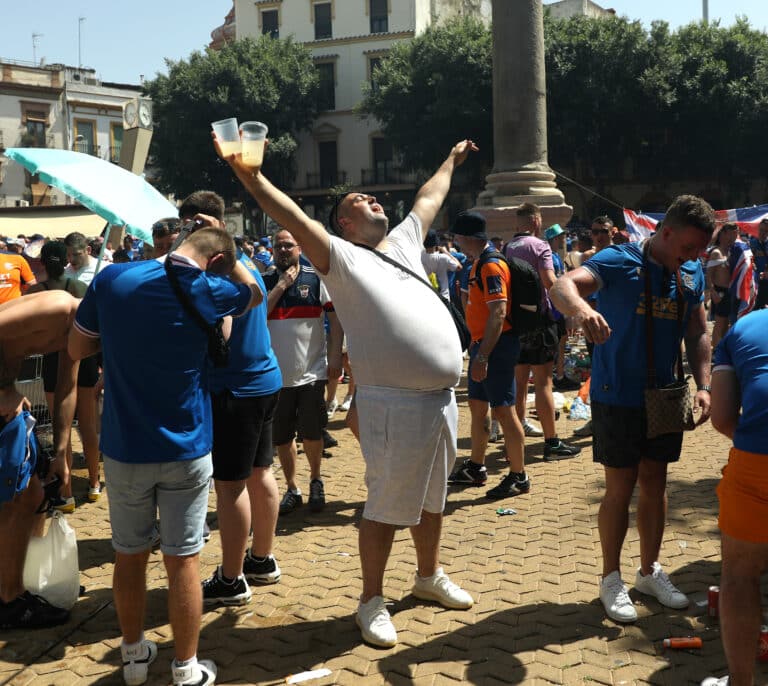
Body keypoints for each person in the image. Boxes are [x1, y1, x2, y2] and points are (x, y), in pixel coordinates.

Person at [217, 133, 476, 648]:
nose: (371, 198)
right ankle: (371, 600)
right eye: (358, 201)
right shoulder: (340, 258)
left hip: (440, 400)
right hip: (392, 404)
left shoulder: (403, 242)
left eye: (372, 197)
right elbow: (293, 216)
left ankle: (427, 576)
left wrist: (450, 158)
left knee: (432, 499)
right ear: (344, 224)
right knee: (383, 505)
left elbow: (429, 197)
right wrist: (250, 177)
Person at [69, 226, 262, 686]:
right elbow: (254, 294)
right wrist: (229, 257)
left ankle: (134, 658)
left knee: (128, 555)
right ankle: (185, 667)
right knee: (184, 559)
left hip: (124, 446)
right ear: (215, 261)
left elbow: (77, 346)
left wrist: (115, 340)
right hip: (187, 446)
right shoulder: (212, 288)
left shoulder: (112, 279)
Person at [550, 194, 714, 624]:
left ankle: (649, 571)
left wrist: (705, 385)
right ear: (666, 232)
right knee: (619, 489)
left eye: (700, 250)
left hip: (665, 395)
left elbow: (697, 329)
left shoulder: (692, 272)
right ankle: (610, 578)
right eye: (689, 248)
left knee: (656, 485)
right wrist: (584, 309)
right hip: (616, 392)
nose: (695, 257)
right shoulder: (618, 260)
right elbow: (562, 285)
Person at [187, 195, 284, 608]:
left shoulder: (218, 276)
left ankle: (232, 578)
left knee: (229, 487)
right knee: (261, 473)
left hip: (235, 389)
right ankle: (260, 559)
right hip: (263, 382)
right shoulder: (247, 266)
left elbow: (222, 334)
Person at [0, 291, 79, 629]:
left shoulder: (81, 333)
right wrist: (4, 391)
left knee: (33, 495)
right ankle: (8, 598)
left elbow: (67, 388)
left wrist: (61, 452)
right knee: (16, 499)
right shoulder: (59, 308)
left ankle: (18, 582)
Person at [703, 307, 768, 686]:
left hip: (756, 463)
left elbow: (723, 417)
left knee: (741, 575)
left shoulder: (746, 327)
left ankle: (741, 682)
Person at [448, 211, 529, 498]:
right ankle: (476, 466)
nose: (455, 242)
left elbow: (499, 313)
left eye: (457, 236)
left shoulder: (491, 266)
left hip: (496, 347)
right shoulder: (475, 264)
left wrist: (483, 356)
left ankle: (518, 476)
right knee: (478, 405)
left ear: (468, 237)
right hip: (482, 346)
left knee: (504, 411)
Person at [263, 229, 342, 515]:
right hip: (276, 377)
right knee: (282, 438)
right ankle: (292, 487)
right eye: (278, 246)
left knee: (312, 433)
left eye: (288, 245)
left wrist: (335, 356)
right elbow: (258, 317)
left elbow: (335, 321)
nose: (283, 250)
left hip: (311, 372)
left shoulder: (316, 278)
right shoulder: (266, 280)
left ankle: (316, 480)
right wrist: (281, 286)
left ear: (299, 247)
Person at [26, 242, 101, 506]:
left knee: (62, 429)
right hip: (85, 358)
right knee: (89, 427)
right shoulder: (80, 289)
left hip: (52, 360)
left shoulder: (35, 293)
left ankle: (66, 492)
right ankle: (94, 484)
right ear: (66, 259)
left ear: (43, 263)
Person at [505, 204, 580, 460]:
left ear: (518, 224)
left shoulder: (508, 247)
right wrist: (568, 307)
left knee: (519, 382)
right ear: (537, 221)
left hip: (518, 323)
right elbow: (549, 282)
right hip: (540, 321)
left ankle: (515, 439)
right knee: (544, 384)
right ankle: (552, 443)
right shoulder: (540, 246)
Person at [545, 224, 580, 392]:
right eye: (561, 237)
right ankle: (555, 376)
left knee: (562, 339)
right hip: (553, 306)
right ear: (555, 238)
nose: (563, 239)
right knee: (556, 341)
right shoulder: (550, 257)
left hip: (557, 306)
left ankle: (558, 374)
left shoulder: (555, 257)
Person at [705, 223, 738, 348]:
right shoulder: (716, 252)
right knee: (719, 324)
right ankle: (716, 352)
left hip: (729, 291)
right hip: (719, 292)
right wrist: (713, 292)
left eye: (736, 234)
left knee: (725, 324)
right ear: (723, 234)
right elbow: (708, 275)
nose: (734, 237)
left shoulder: (731, 251)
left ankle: (721, 349)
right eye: (731, 233)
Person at [421, 230, 462, 301]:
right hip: (444, 297)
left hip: (425, 295)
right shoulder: (443, 257)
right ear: (436, 243)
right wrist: (445, 252)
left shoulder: (419, 256)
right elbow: (459, 267)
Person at [0, 238, 36, 304]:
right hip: (13, 306)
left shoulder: (19, 258)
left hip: (13, 306)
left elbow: (31, 283)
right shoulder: (18, 258)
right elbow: (32, 284)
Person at [748, 217, 768, 310]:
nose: (762, 233)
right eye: (761, 230)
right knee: (755, 308)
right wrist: (752, 264)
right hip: (756, 282)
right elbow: (749, 259)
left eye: (765, 231)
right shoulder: (752, 243)